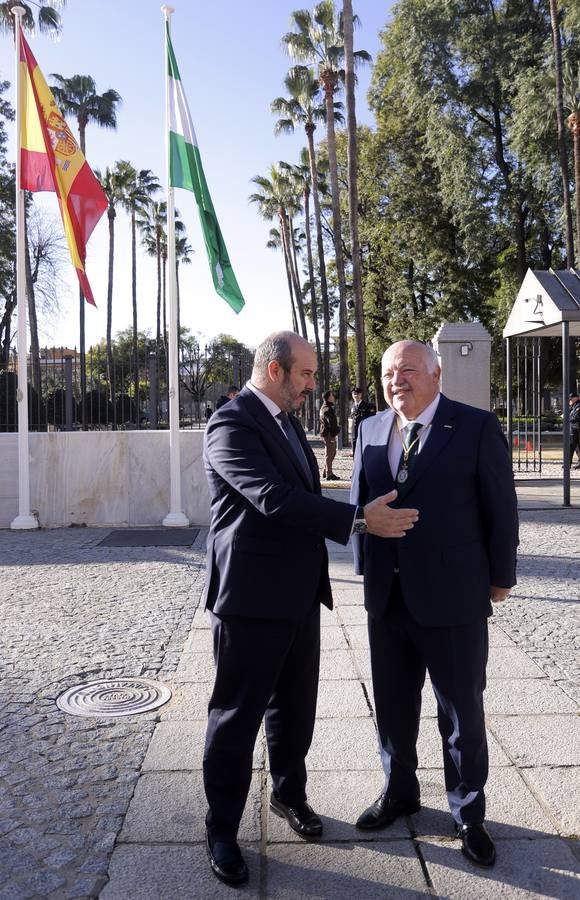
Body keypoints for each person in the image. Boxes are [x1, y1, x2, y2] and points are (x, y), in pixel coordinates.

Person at [202, 331, 419, 886]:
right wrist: (358, 520)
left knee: (294, 708)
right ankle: (222, 826)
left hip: (298, 594)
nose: (312, 384)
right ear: (274, 370)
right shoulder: (231, 424)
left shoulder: (287, 419)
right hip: (249, 599)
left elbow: (305, 490)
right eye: (306, 374)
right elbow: (272, 498)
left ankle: (288, 796)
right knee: (236, 716)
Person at [351, 340, 518, 869]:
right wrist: (364, 568)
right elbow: (360, 502)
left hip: (454, 595)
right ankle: (400, 790)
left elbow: (500, 505)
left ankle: (468, 811)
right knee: (393, 706)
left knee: (461, 709)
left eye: (407, 370)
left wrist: (500, 577)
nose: (396, 379)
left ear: (436, 374)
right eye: (387, 372)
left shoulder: (473, 426)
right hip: (388, 595)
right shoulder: (369, 429)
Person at [319, 390, 340, 480]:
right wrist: (336, 431)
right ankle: (329, 473)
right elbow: (331, 423)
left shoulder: (324, 407)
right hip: (329, 434)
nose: (333, 397)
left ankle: (325, 470)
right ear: (328, 397)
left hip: (327, 433)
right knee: (330, 453)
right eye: (332, 396)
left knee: (331, 452)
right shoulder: (327, 409)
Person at [350, 387, 374, 455]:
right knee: (354, 449)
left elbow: (370, 419)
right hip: (354, 431)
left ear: (361, 395)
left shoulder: (367, 406)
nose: (356, 396)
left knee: (363, 450)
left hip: (364, 431)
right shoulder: (353, 405)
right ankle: (355, 464)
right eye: (354, 394)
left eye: (358, 394)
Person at [568, 392, 580, 469]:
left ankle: (568, 463)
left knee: (571, 446)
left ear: (577, 398)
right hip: (574, 429)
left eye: (572, 398)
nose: (570, 400)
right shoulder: (574, 406)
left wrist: (567, 418)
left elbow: (576, 417)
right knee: (577, 448)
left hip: (577, 429)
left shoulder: (578, 406)